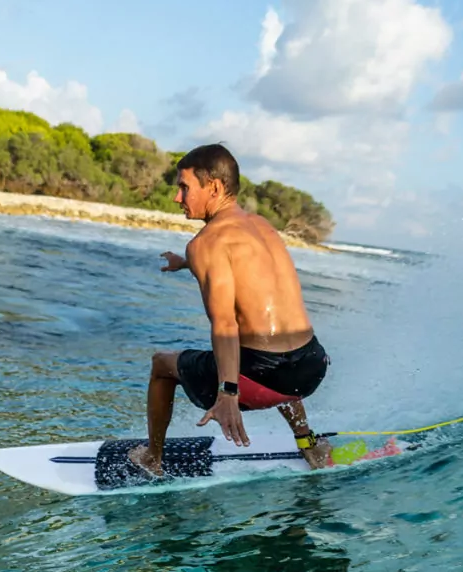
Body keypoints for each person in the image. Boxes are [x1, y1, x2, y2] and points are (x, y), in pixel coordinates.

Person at [130, 143, 332, 478]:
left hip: (261, 379)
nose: (177, 198)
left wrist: (228, 393)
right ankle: (308, 443)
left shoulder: (205, 244)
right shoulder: (261, 226)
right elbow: (249, 276)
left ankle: (153, 458)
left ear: (214, 187)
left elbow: (225, 324)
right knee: (275, 345)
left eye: (184, 187)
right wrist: (186, 263)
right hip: (311, 366)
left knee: (161, 365)